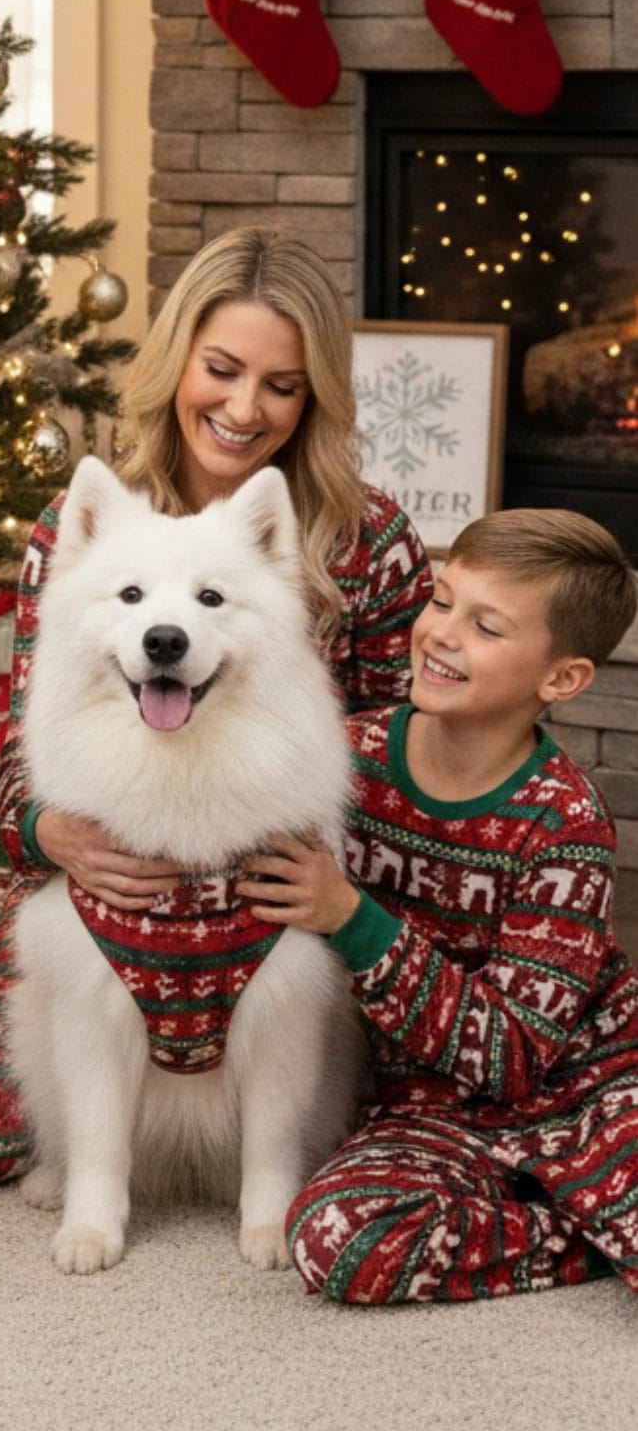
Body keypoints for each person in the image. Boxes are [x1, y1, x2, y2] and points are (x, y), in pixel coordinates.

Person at [0, 226, 434, 1183]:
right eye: (222, 369)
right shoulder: (97, 521)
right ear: (177, 359)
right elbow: (36, 742)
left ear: (314, 396)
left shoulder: (368, 538)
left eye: (282, 384)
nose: (244, 408)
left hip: (281, 895)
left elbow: (407, 747)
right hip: (120, 900)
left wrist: (332, 887)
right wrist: (52, 833)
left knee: (364, 1121)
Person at [239, 507, 638, 1301]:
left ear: (561, 678)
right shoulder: (344, 759)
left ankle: (590, 1207)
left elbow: (515, 1060)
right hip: (425, 1111)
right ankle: (576, 1236)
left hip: (587, 1086)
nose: (443, 634)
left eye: (487, 626)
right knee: (338, 1239)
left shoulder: (567, 824)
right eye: (442, 600)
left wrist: (351, 918)